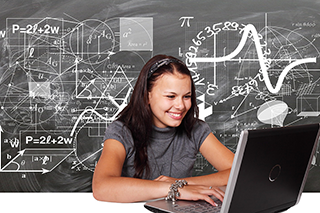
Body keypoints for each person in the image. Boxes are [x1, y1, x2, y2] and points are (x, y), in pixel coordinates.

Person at [92, 54, 234, 206]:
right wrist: (173, 189)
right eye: (171, 96)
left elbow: (237, 171)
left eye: (187, 96)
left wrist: (182, 183)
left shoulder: (196, 129)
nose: (180, 105)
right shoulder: (121, 131)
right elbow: (102, 186)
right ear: (147, 97)